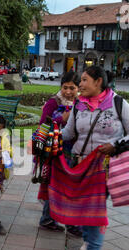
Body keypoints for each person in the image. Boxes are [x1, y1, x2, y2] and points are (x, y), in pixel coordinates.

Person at [60, 65, 129, 250]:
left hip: (104, 166)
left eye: (85, 80)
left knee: (95, 205)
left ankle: (94, 248)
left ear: (98, 82)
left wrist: (113, 145)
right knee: (82, 204)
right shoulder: (78, 104)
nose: (80, 84)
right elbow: (69, 133)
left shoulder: (118, 103)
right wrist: (47, 135)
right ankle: (89, 241)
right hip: (79, 163)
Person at [37, 71, 83, 237]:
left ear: (78, 88)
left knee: (61, 187)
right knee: (63, 187)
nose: (68, 92)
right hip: (56, 152)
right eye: (65, 87)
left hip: (76, 152)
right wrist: (61, 119)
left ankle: (48, 219)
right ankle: (69, 223)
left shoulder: (81, 103)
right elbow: (42, 126)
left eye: (72, 88)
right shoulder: (53, 103)